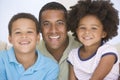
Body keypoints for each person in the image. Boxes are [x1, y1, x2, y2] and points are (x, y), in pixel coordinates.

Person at [67, 0, 119, 80]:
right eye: (82, 28)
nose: (87, 32)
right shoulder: (73, 55)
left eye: (94, 28)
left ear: (104, 33)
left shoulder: (108, 51)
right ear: (76, 30)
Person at [0, 13, 59, 80]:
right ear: (10, 39)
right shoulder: (1, 59)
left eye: (29, 32)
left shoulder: (51, 67)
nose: (24, 36)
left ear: (38, 38)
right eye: (18, 32)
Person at [37, 2, 81, 80]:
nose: (53, 30)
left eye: (59, 23)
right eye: (47, 24)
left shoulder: (82, 47)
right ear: (40, 28)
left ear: (67, 26)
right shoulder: (32, 53)